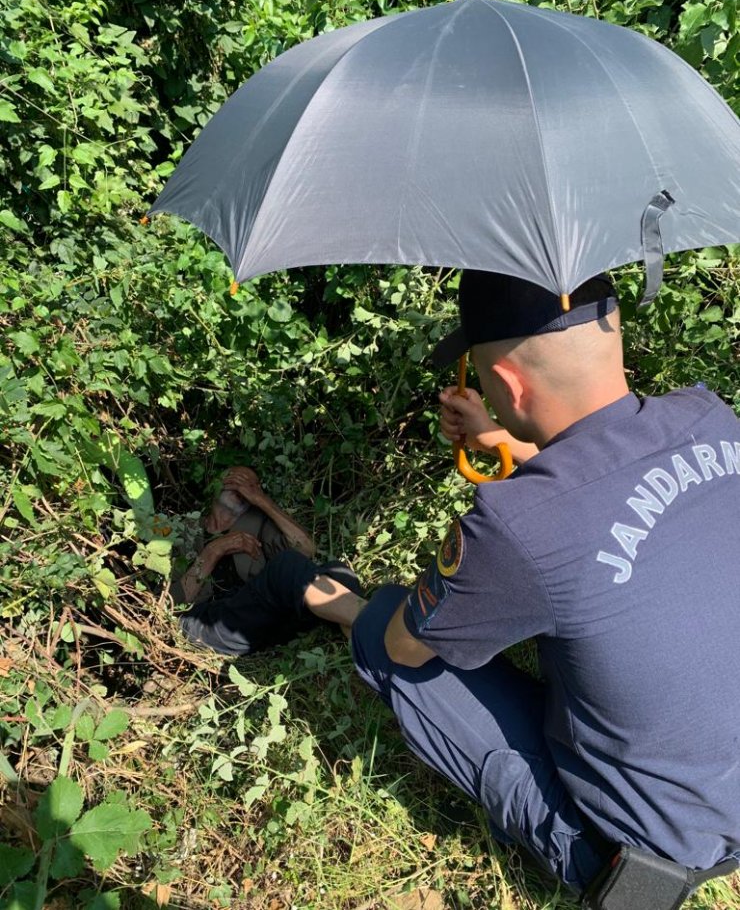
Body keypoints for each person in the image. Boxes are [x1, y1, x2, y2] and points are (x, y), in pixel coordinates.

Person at [313, 271, 740, 902]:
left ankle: (592, 859)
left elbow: (409, 645)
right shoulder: (710, 417)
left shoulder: (515, 525)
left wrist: (347, 606)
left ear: (508, 382)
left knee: (385, 635)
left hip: (655, 855)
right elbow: (612, 492)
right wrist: (506, 438)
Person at [171, 466, 364, 656]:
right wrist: (214, 550)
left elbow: (305, 549)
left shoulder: (257, 524)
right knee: (285, 565)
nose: (243, 487)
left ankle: (370, 647)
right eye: (236, 479)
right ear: (216, 484)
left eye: (251, 485)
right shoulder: (182, 531)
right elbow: (172, 602)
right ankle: (375, 624)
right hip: (207, 624)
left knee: (338, 572)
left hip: (262, 620)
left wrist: (262, 501)